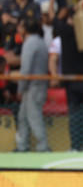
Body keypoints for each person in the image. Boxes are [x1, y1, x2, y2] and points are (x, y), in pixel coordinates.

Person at [15, 18, 50, 152]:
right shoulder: (40, 41)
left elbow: (26, 69)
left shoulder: (30, 43)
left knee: (34, 116)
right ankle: (22, 145)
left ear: (25, 29)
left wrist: (20, 88)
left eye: (20, 26)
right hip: (35, 86)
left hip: (33, 87)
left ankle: (43, 146)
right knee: (23, 116)